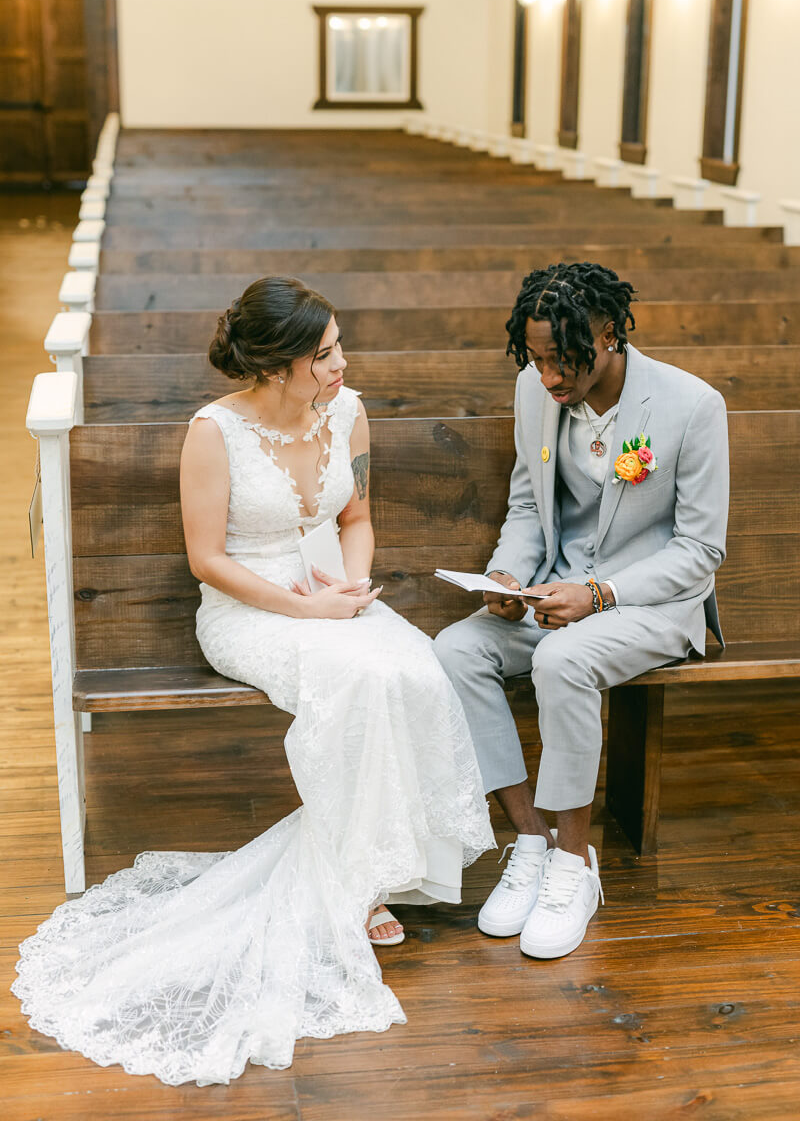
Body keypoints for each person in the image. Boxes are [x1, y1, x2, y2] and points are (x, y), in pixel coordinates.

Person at [13, 276, 493, 1087]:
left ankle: (385, 864)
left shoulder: (349, 411)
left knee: (414, 667)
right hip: (248, 608)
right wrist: (305, 614)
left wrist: (349, 587)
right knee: (358, 682)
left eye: (340, 347)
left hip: (328, 592)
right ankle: (356, 883)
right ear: (276, 366)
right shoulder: (215, 432)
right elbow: (209, 560)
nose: (343, 364)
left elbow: (357, 519)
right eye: (326, 354)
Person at [434, 262, 729, 960]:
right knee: (454, 650)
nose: (549, 378)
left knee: (562, 660)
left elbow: (701, 549)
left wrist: (598, 594)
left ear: (609, 335)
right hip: (555, 595)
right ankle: (530, 838)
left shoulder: (691, 406)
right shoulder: (533, 394)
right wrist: (509, 573)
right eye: (536, 361)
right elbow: (531, 505)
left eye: (565, 360)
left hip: (651, 605)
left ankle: (574, 863)